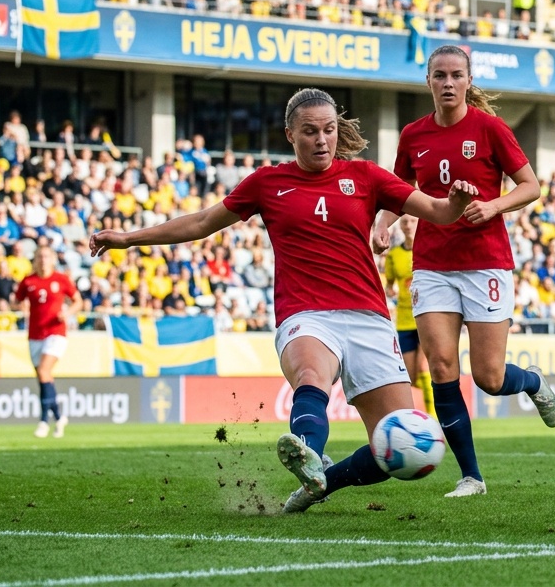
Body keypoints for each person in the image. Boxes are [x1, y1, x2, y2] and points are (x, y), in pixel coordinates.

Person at [89, 88, 480, 513]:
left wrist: (456, 203)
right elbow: (203, 221)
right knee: (311, 373)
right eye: (310, 131)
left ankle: (323, 481)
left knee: (396, 442)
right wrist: (128, 239)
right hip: (305, 313)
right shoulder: (267, 182)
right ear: (290, 134)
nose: (322, 140)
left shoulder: (367, 176)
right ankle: (308, 453)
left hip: (369, 317)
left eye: (329, 130)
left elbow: (438, 212)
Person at [373, 45, 555, 500]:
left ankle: (532, 382)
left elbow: (531, 186)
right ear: (429, 82)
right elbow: (397, 193)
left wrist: (494, 204)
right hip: (433, 265)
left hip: (486, 263)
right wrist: (382, 225)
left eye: (457, 75)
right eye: (440, 75)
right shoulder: (414, 135)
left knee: (490, 379)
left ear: (469, 80)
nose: (449, 83)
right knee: (441, 368)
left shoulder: (491, 128)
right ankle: (471, 476)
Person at [13, 246, 83, 437]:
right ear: (35, 259)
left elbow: (78, 301)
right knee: (43, 377)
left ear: (52, 259)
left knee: (44, 370)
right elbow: (17, 300)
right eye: (39, 257)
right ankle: (59, 417)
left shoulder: (61, 279)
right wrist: (23, 307)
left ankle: (44, 421)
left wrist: (67, 313)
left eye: (46, 256)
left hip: (56, 333)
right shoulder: (28, 281)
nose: (43, 260)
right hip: (35, 334)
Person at [385, 215, 433, 413]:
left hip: (427, 316)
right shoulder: (394, 255)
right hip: (404, 320)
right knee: (411, 377)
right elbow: (389, 284)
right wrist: (390, 290)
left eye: (413, 221)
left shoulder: (429, 250)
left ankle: (434, 419)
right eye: (405, 222)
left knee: (424, 368)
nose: (408, 225)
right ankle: (441, 392)